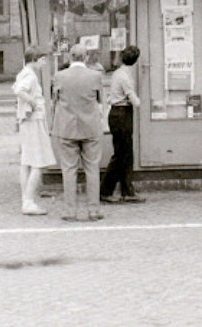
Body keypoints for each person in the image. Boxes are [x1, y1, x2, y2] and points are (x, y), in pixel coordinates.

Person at [51, 44, 105, 221]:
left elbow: (54, 102)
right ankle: (93, 210)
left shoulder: (59, 76)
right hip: (90, 128)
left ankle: (70, 210)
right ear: (86, 57)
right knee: (92, 169)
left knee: (68, 170)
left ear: (70, 56)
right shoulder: (95, 76)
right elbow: (100, 101)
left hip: (67, 128)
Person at [13, 46, 58, 215]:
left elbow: (16, 88)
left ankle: (26, 198)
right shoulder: (31, 76)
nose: (44, 62)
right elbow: (19, 91)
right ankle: (29, 201)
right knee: (38, 161)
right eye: (42, 59)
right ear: (35, 59)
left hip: (26, 121)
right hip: (34, 121)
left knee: (26, 162)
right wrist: (34, 103)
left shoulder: (23, 73)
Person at [101, 45, 145, 204]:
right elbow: (135, 101)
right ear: (135, 61)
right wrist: (140, 101)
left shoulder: (118, 73)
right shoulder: (125, 77)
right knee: (121, 154)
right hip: (122, 113)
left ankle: (127, 190)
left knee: (125, 153)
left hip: (117, 112)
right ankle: (105, 190)